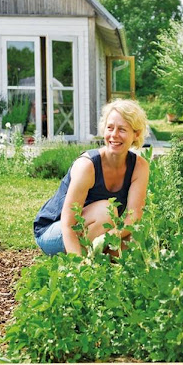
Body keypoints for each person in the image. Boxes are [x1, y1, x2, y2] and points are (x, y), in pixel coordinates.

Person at [34, 99, 150, 257]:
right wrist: (77, 264)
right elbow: (68, 224)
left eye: (122, 129)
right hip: (54, 231)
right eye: (110, 128)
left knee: (133, 241)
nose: (114, 135)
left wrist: (111, 237)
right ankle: (86, 261)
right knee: (107, 210)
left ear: (136, 134)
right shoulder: (87, 166)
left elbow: (134, 216)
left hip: (92, 229)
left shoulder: (139, 167)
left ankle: (99, 259)